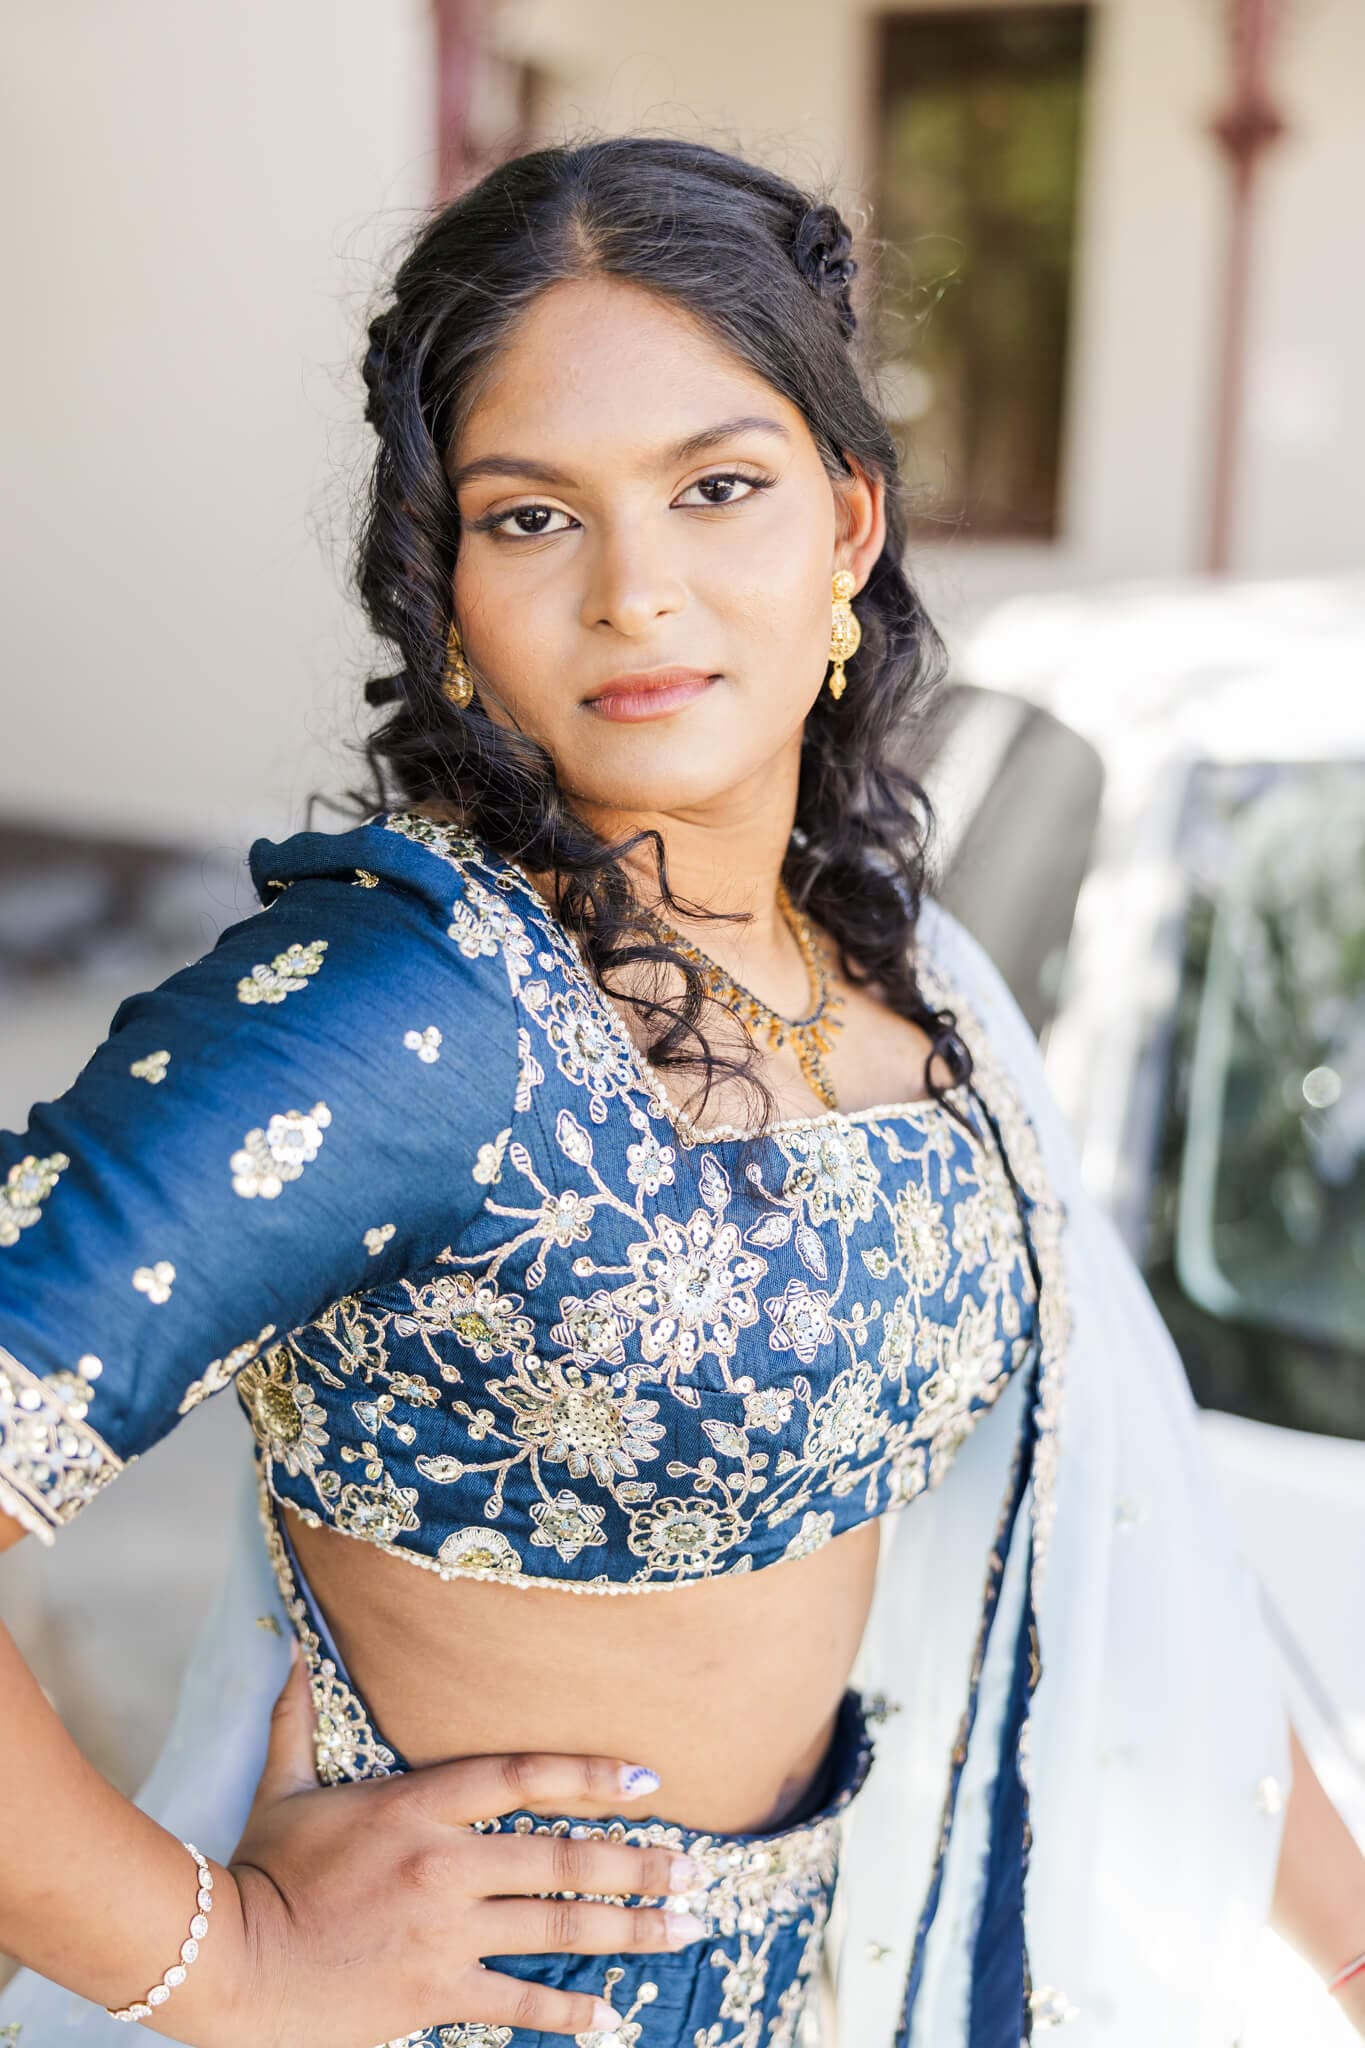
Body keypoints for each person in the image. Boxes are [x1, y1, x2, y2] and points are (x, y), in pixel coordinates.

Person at [1, 132, 1362, 2048]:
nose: (637, 590)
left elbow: (1110, 1557)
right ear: (446, 595)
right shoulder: (400, 1021)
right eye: (532, 516)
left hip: (854, 1987)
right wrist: (217, 1957)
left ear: (848, 531)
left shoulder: (903, 984)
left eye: (715, 487)